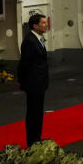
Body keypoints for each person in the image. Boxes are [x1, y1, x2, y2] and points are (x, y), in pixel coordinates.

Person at [17, 14, 49, 146]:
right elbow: (24, 63)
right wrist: (22, 81)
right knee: (33, 112)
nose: (45, 25)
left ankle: (37, 137)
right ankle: (32, 140)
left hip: (40, 82)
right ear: (35, 26)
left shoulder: (38, 39)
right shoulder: (29, 41)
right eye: (43, 23)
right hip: (33, 83)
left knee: (38, 112)